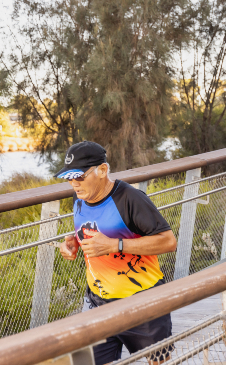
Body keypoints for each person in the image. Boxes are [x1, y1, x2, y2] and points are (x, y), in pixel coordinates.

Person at [57, 141, 177, 365]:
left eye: (80, 176)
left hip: (143, 302)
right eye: (69, 177)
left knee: (158, 362)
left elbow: (168, 242)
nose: (74, 183)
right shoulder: (79, 198)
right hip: (98, 301)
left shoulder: (130, 199)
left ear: (102, 170)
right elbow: (91, 226)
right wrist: (71, 240)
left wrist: (116, 245)